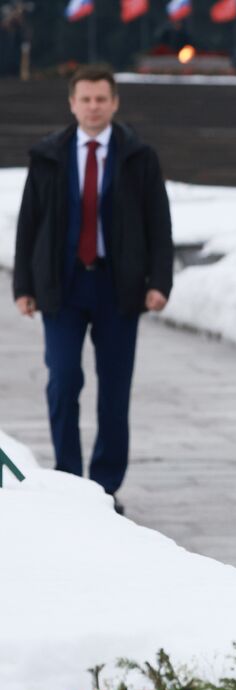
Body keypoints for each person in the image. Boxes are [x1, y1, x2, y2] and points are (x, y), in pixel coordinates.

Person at [12, 66, 173, 516]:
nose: (93, 106)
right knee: (63, 380)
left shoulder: (138, 156)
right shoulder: (49, 155)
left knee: (115, 388)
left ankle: (104, 485)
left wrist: (159, 281)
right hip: (62, 286)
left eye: (101, 99)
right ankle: (67, 477)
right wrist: (24, 284)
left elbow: (158, 223)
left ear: (114, 102)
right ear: (72, 103)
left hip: (118, 287)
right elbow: (30, 223)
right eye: (85, 99)